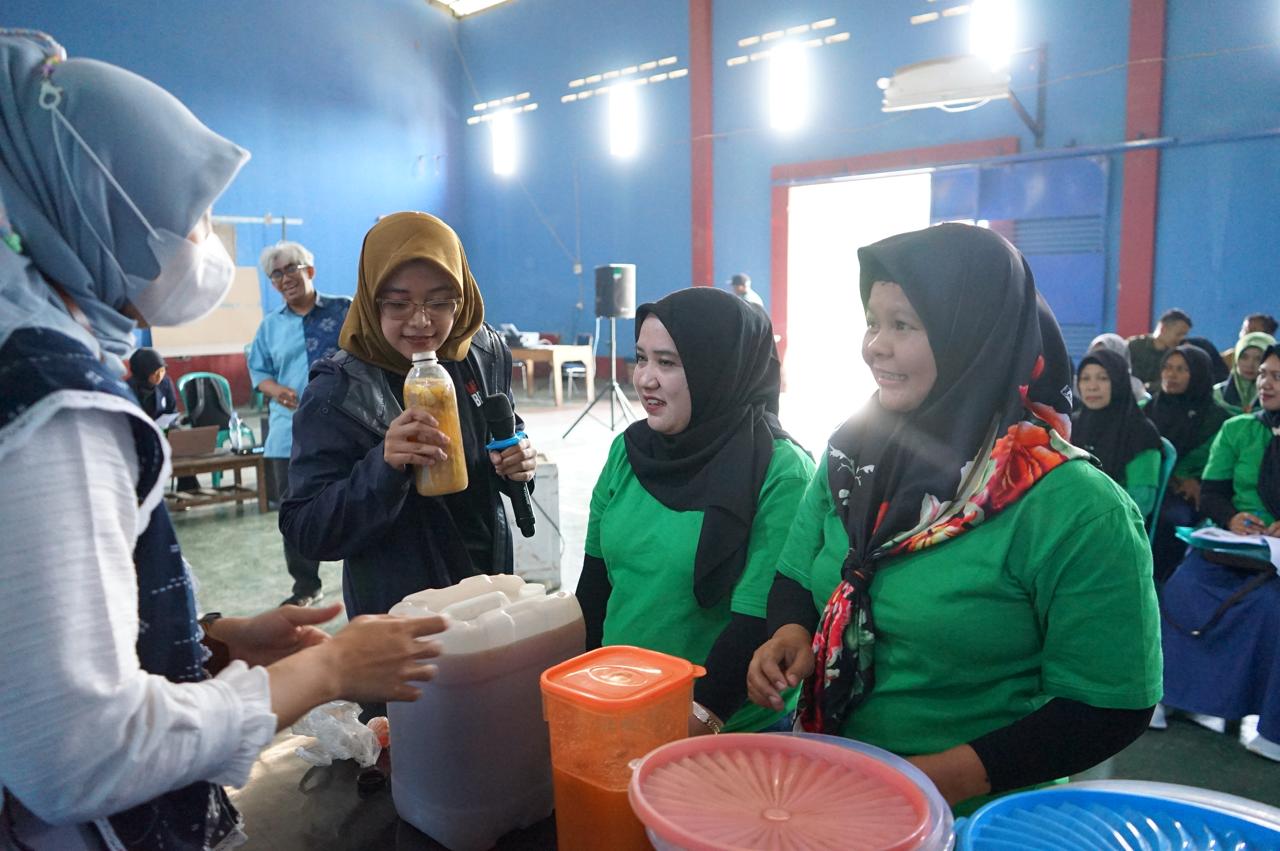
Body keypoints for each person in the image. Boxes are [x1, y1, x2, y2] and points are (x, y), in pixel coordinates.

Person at [0, 31, 444, 849]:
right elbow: (73, 752)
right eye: (193, 216)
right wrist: (324, 671)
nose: (205, 242)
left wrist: (207, 640)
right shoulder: (49, 403)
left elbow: (37, 636)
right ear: (100, 210)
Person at [746, 224, 1161, 812]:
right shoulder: (851, 455)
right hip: (833, 782)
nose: (874, 346)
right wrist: (791, 633)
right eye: (872, 321)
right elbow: (796, 575)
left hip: (975, 813)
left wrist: (933, 781)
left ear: (973, 336)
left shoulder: (1073, 506)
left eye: (904, 325)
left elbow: (1107, 708)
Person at [576, 287, 815, 734]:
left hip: (724, 726)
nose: (645, 379)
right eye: (641, 358)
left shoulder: (781, 472)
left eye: (667, 362)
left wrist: (694, 721)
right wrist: (584, 695)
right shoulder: (627, 452)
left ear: (718, 368)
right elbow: (594, 586)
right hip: (620, 701)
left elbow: (756, 621)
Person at [280, 211, 536, 625]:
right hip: (398, 612)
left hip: (487, 587)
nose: (421, 321)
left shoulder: (481, 353)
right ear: (370, 297)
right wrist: (383, 466)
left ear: (463, 296)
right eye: (398, 303)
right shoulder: (337, 392)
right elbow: (306, 528)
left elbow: (505, 427)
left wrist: (517, 460)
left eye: (439, 301)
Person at [1158, 344, 1280, 761]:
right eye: (1263, 374)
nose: (1265, 383)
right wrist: (1231, 518)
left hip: (1275, 558)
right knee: (1184, 585)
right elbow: (1211, 493)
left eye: (1276, 376)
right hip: (1239, 543)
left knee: (1270, 606)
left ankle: (1272, 727)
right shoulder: (1239, 429)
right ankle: (1167, 695)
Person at [249, 240, 352, 606]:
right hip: (287, 432)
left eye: (290, 268)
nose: (284, 278)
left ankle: (364, 578)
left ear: (309, 270)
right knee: (294, 510)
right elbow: (258, 370)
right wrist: (275, 389)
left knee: (358, 499)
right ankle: (305, 586)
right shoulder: (269, 327)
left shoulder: (346, 310)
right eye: (276, 274)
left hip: (346, 427)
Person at [1145, 345, 1232, 580]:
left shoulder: (1217, 418)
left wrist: (1196, 481)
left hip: (1190, 494)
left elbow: (1218, 461)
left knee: (1175, 519)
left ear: (1198, 374)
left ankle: (1167, 584)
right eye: (1167, 367)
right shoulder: (1146, 409)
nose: (1171, 375)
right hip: (1148, 486)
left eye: (1181, 370)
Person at [1072, 348, 1164, 518]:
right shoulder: (1073, 425)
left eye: (1103, 378)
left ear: (1119, 381)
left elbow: (1141, 502)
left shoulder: (1141, 432)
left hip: (1116, 523)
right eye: (1085, 378)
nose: (1092, 387)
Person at [1214, 331, 1275, 415]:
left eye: (1258, 358)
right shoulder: (1216, 395)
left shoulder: (1275, 396)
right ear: (1235, 359)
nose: (1250, 364)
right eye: (1244, 357)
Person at [1128, 308, 1192, 388]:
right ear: (1163, 329)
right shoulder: (1133, 347)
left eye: (1185, 335)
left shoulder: (1177, 356)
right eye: (1179, 334)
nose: (1182, 339)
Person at [1088, 332, 1151, 404]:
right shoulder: (1081, 384)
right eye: (1095, 355)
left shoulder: (1134, 387)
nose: (1099, 360)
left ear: (1120, 356)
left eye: (1106, 356)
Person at [125, 346, 177, 422]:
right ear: (143, 373)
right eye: (155, 373)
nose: (160, 376)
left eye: (162, 371)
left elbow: (172, 410)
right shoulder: (127, 389)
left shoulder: (165, 383)